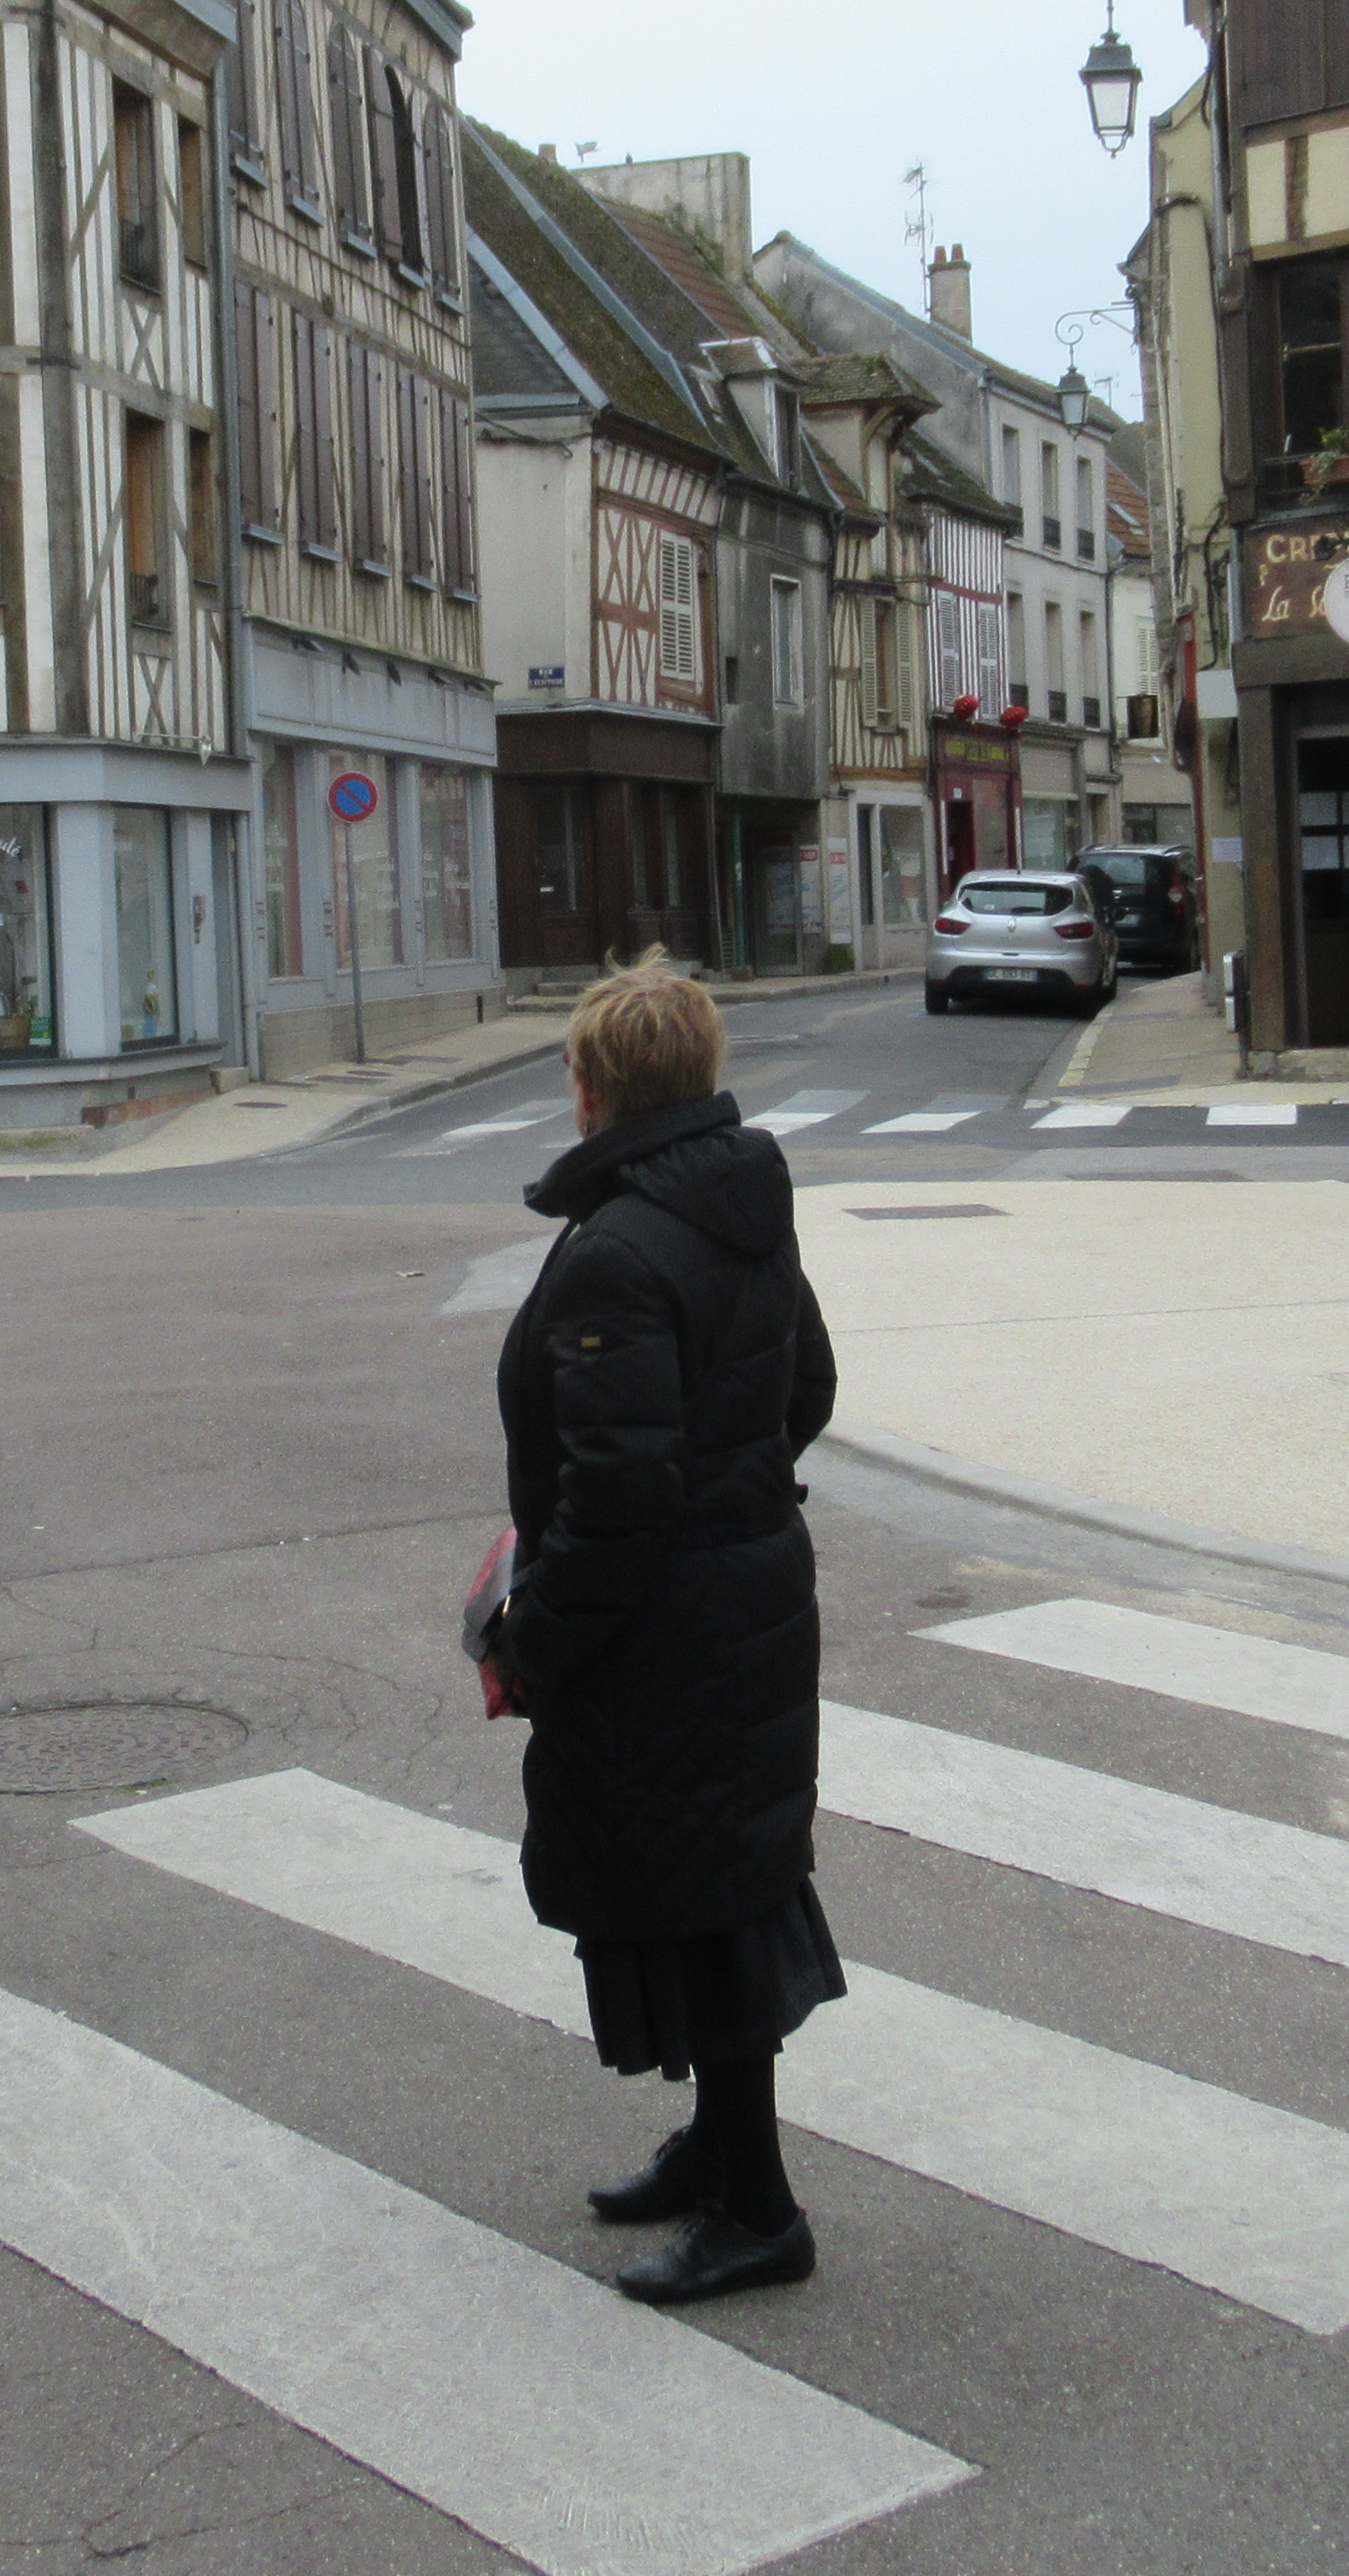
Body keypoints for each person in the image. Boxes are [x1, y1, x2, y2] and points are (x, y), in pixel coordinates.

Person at [486, 950, 842, 2306]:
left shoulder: (621, 1252)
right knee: (723, 1880)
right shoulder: (734, 1204)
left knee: (700, 1897)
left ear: (594, 1087)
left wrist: (529, 1637)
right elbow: (806, 1388)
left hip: (665, 1631)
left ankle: (759, 2210)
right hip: (746, 1596)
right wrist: (735, 1495)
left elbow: (618, 1502)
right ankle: (719, 2150)